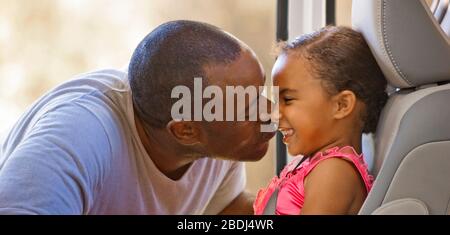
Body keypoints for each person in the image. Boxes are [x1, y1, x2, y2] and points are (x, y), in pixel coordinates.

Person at [0, 20, 275, 214]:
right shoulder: (75, 138)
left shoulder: (211, 131)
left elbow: (224, 208)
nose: (270, 113)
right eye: (247, 108)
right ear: (185, 131)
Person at [253, 26, 388, 215]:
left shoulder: (334, 172)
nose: (275, 114)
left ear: (341, 105)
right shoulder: (315, 164)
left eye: (288, 100)